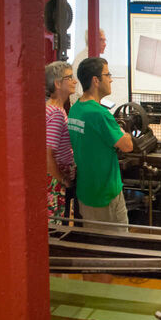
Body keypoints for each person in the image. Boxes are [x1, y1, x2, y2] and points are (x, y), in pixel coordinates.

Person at [69, 57, 132, 226]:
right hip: (106, 195)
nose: (111, 79)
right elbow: (127, 146)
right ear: (96, 80)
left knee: (96, 245)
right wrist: (124, 131)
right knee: (119, 247)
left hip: (86, 193)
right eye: (108, 74)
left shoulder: (75, 109)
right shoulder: (100, 114)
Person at [45, 61, 77, 220]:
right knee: (55, 226)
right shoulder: (56, 114)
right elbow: (48, 155)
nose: (74, 81)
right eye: (69, 77)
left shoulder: (53, 108)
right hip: (55, 181)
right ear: (57, 83)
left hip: (56, 177)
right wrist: (63, 180)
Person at [70, 28, 106, 104]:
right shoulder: (86, 60)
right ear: (92, 40)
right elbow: (81, 91)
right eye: (101, 40)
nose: (105, 44)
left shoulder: (90, 57)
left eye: (105, 40)